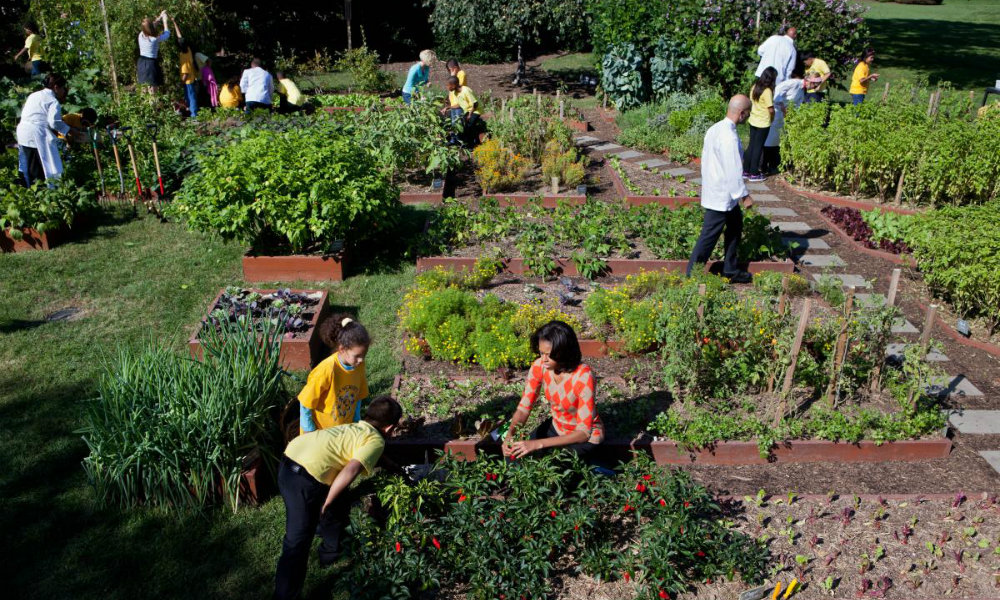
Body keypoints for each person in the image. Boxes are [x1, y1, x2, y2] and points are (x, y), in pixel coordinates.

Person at [273, 397, 402, 600]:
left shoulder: (356, 427)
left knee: (339, 503)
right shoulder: (376, 440)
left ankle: (330, 551)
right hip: (303, 479)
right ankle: (285, 596)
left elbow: (368, 454)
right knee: (296, 542)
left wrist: (394, 467)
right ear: (390, 428)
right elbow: (351, 470)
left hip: (290, 458)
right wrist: (327, 501)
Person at [502, 321, 604, 462]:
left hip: (582, 438)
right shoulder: (540, 367)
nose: (543, 359)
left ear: (564, 352)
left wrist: (537, 444)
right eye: (541, 353)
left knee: (549, 468)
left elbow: (584, 433)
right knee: (514, 456)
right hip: (557, 427)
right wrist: (510, 435)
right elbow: (524, 408)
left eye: (548, 355)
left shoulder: (583, 376)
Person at [686, 95, 755, 283]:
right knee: (708, 237)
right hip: (722, 195)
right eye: (748, 114)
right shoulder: (729, 137)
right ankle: (692, 276)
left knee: (735, 226)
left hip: (718, 190)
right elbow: (733, 171)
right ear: (741, 113)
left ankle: (730, 270)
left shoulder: (716, 128)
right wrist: (745, 196)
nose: (748, 118)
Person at [298, 316, 370, 434]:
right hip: (320, 432)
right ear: (342, 349)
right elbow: (305, 402)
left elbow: (358, 396)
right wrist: (310, 431)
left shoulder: (359, 366)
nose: (361, 360)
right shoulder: (327, 369)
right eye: (357, 356)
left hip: (343, 430)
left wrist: (356, 421)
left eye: (364, 355)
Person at [16, 73, 71, 187]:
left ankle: (28, 189)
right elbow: (53, 122)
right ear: (56, 87)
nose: (63, 91)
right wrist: (69, 130)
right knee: (42, 165)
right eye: (63, 88)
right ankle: (44, 190)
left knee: (28, 163)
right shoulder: (53, 101)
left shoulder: (34, 95)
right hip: (36, 133)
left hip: (23, 131)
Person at [762, 67, 807, 174]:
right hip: (778, 113)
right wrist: (782, 106)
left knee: (779, 141)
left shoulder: (802, 89)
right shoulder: (794, 83)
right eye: (814, 84)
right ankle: (763, 165)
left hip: (786, 117)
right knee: (770, 140)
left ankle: (775, 165)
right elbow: (778, 92)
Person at [744, 66, 776, 182]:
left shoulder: (754, 87)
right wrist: (773, 117)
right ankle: (754, 173)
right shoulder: (767, 91)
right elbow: (771, 109)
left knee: (751, 145)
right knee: (758, 147)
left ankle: (745, 170)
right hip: (763, 122)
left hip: (753, 120)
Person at [441, 76, 484, 146]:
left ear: (453, 85)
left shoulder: (466, 91)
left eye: (448, 86)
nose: (447, 88)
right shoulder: (456, 93)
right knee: (464, 126)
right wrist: (447, 108)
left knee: (468, 126)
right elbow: (459, 105)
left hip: (476, 110)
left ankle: (471, 145)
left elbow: (475, 104)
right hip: (468, 110)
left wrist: (470, 115)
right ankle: (472, 142)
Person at [137, 11, 170, 94]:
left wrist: (160, 17)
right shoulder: (154, 39)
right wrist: (165, 21)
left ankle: (143, 105)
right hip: (151, 64)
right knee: (153, 88)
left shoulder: (140, 35)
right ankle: (153, 105)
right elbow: (167, 35)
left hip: (141, 62)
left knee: (143, 87)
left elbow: (152, 26)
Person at [174, 21, 199, 118]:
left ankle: (194, 115)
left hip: (188, 80)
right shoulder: (188, 49)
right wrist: (174, 23)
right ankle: (192, 112)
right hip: (192, 78)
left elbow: (185, 73)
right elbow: (180, 37)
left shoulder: (183, 56)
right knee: (190, 96)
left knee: (191, 97)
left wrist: (181, 82)